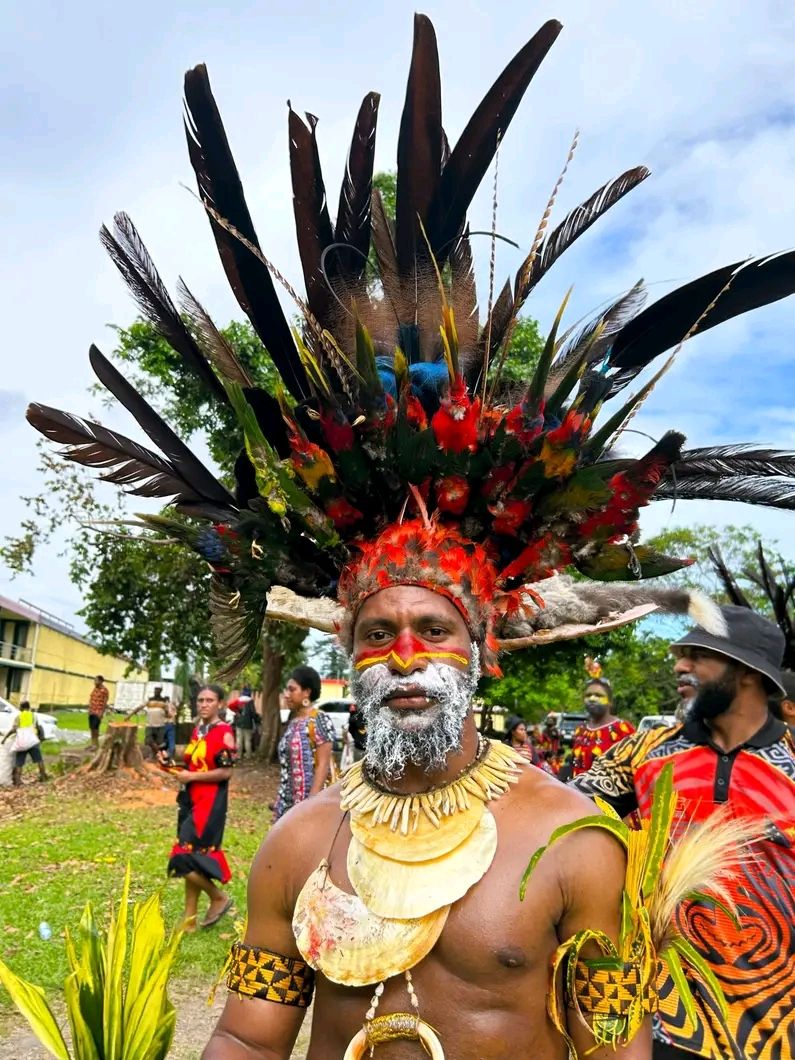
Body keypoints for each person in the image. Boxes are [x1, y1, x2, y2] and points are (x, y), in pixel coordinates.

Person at [31, 10, 795, 1058]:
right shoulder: (298, 843)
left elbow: (615, 1047)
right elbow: (253, 1037)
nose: (401, 655)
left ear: (478, 648)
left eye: (431, 628)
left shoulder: (575, 841)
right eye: (377, 630)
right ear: (344, 651)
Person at [571, 605, 795, 1059]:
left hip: (778, 1019)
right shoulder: (644, 753)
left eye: (698, 656)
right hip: (663, 1019)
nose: (680, 665)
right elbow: (565, 820)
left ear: (747, 673)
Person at [159, 684, 236, 931]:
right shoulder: (199, 730)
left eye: (209, 700)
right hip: (190, 800)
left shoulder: (224, 732)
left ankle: (218, 897)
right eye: (201, 700)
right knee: (190, 856)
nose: (203, 704)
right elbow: (194, 765)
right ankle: (189, 919)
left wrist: (191, 778)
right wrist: (169, 765)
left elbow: (226, 772)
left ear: (220, 704)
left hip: (210, 803)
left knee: (181, 857)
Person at [272, 666, 334, 821]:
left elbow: (323, 765)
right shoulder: (292, 722)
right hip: (287, 804)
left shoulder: (319, 719)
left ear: (306, 692)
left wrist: (310, 805)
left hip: (309, 807)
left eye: (292, 690)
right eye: (286, 690)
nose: (286, 695)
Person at [571, 678, 635, 776]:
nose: (592, 698)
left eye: (598, 695)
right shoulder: (580, 730)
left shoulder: (623, 729)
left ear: (610, 702)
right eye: (588, 695)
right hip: (574, 789)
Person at [1, 701, 48, 785]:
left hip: (22, 742)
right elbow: (38, 727)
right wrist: (41, 738)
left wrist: (5, 738)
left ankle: (18, 781)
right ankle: (43, 776)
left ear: (21, 708)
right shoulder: (34, 715)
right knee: (39, 760)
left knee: (19, 762)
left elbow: (13, 729)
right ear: (29, 707)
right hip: (33, 741)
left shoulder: (19, 717)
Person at [131, 685, 168, 758]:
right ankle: (159, 754)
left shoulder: (164, 701)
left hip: (160, 725)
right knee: (149, 740)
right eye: (155, 690)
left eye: (158, 690)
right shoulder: (149, 699)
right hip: (150, 724)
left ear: (161, 691)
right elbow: (140, 707)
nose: (156, 691)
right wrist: (130, 715)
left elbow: (167, 712)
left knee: (159, 742)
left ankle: (154, 757)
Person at [230, 690, 257, 759]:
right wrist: (257, 719)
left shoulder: (239, 700)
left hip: (239, 723)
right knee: (247, 740)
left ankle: (239, 755)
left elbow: (230, 705)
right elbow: (253, 713)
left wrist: (237, 712)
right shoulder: (250, 701)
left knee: (239, 740)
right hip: (248, 724)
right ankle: (248, 755)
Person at [87, 674, 108, 748]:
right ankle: (92, 744)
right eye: (94, 680)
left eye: (96, 680)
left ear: (101, 681)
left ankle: (96, 745)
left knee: (96, 729)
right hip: (92, 711)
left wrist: (102, 713)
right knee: (91, 728)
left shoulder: (104, 690)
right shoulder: (95, 689)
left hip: (98, 712)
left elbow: (105, 703)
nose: (94, 682)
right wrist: (89, 709)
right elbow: (91, 698)